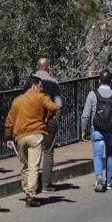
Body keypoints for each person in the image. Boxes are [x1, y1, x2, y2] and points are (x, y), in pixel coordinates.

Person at [4, 76, 59, 208]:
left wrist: (8, 137)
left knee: (25, 165)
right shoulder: (41, 97)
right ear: (34, 86)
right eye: (40, 86)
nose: (41, 89)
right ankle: (31, 194)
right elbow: (54, 107)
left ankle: (26, 188)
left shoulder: (17, 101)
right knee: (34, 166)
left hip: (20, 137)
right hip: (36, 134)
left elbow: (9, 121)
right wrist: (47, 117)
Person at [81, 69, 112, 192]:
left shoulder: (92, 94)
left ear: (99, 80)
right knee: (110, 154)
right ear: (111, 81)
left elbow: (85, 115)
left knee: (97, 155)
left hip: (97, 129)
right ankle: (109, 182)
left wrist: (83, 130)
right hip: (111, 129)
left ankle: (99, 177)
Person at [32, 58, 63, 192]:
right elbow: (58, 104)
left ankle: (32, 185)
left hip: (32, 119)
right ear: (47, 67)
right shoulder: (53, 82)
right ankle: (46, 184)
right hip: (48, 119)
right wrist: (56, 119)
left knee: (33, 151)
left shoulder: (30, 82)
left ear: (37, 66)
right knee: (48, 151)